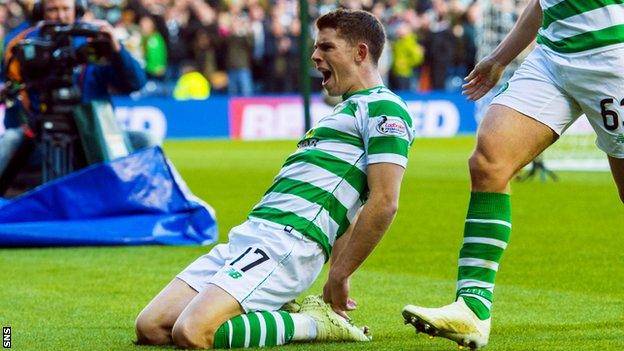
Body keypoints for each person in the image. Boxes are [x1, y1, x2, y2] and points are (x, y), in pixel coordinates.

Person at [135, 8, 415, 349]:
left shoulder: (385, 108)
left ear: (360, 53)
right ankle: (269, 308)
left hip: (289, 243)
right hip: (250, 236)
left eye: (326, 47)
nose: (314, 55)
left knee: (192, 333)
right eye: (315, 47)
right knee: (151, 326)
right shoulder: (340, 112)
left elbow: (384, 201)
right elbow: (345, 211)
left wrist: (340, 274)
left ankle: (311, 324)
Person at [402, 0, 624, 349]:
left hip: (613, 58)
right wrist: (500, 58)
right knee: (489, 161)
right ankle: (473, 308)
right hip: (552, 58)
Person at [0, 0, 155, 181]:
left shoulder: (94, 40)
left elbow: (136, 83)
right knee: (11, 139)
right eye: (53, 10)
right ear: (41, 12)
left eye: (66, 9)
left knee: (147, 140)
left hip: (94, 131)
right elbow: (14, 90)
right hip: (42, 134)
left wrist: (117, 50)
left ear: (78, 10)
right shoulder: (27, 43)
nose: (60, 15)